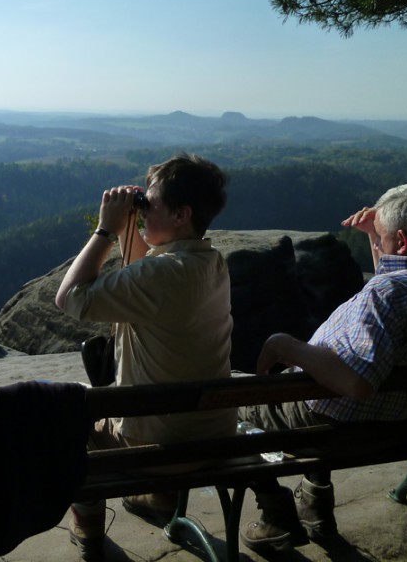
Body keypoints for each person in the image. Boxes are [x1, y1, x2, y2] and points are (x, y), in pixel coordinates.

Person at [238, 182, 407, 553]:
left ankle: (276, 513)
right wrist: (377, 234)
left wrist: (287, 345)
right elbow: (395, 293)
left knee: (227, 403)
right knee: (322, 386)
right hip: (406, 422)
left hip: (333, 426)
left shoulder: (387, 296)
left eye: (385, 239)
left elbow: (356, 383)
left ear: (401, 241)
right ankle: (316, 506)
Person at [55, 154, 236, 562]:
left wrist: (106, 229)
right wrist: (132, 225)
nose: (143, 208)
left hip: (158, 448)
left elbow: (69, 298)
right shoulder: (210, 262)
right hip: (213, 435)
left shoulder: (164, 275)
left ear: (181, 214)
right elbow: (140, 274)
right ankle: (159, 496)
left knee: (67, 412)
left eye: (149, 203)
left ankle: (87, 526)